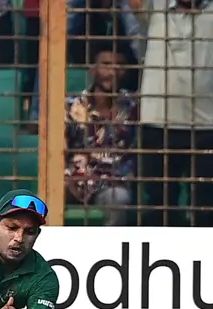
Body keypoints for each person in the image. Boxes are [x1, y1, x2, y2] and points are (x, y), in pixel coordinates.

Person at [133, 0, 213, 226]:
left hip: (207, 125)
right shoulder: (157, 7)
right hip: (158, 122)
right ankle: (160, 255)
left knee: (206, 203)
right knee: (159, 202)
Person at [64, 41, 137, 226]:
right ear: (93, 70)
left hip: (113, 182)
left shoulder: (133, 107)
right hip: (74, 180)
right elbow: (58, 148)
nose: (112, 71)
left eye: (119, 66)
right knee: (45, 198)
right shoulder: (72, 106)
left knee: (119, 199)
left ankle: (109, 254)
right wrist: (66, 178)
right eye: (106, 64)